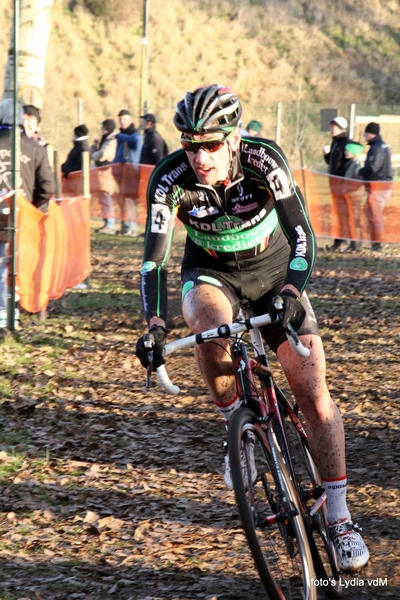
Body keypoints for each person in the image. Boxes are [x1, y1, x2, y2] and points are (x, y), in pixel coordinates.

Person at [135, 84, 369, 573]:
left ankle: (341, 518)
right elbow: (154, 261)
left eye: (210, 145)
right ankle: (237, 432)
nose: (199, 157)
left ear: (234, 138)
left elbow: (303, 232)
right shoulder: (170, 179)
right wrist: (154, 324)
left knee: (313, 393)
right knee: (207, 325)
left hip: (275, 270)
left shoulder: (264, 161)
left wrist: (289, 292)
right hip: (212, 271)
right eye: (190, 144)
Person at [0, 99, 55, 328]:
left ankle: (4, 318)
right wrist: (32, 208)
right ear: (21, 120)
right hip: (23, 219)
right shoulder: (35, 148)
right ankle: (9, 315)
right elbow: (48, 188)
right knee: (17, 265)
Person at [358, 122, 392, 252]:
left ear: (371, 133)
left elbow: (373, 168)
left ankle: (377, 244)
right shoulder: (383, 146)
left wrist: (360, 171)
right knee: (373, 214)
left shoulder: (376, 148)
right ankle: (375, 241)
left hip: (378, 186)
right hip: (383, 185)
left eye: (366, 132)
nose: (364, 135)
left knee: (375, 216)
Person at [111, 109, 142, 236]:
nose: (121, 121)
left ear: (130, 120)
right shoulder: (123, 136)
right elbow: (118, 154)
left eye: (124, 119)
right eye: (120, 119)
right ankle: (125, 226)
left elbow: (136, 141)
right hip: (120, 173)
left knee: (129, 199)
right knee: (122, 200)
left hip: (130, 173)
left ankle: (131, 227)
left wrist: (119, 136)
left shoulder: (133, 134)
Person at [323, 116, 350, 251]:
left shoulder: (346, 142)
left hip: (341, 185)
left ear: (341, 128)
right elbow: (332, 163)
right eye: (331, 126)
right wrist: (327, 155)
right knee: (337, 213)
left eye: (334, 127)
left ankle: (340, 241)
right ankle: (338, 241)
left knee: (342, 213)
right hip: (334, 184)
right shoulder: (334, 143)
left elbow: (347, 163)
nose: (331, 129)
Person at [90, 118, 117, 234]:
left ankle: (110, 224)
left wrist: (94, 154)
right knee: (103, 199)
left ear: (106, 128)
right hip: (102, 175)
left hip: (106, 174)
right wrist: (94, 146)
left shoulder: (111, 141)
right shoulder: (105, 140)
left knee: (107, 198)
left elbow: (102, 155)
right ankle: (107, 222)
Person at [342, 141, 365, 251]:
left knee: (354, 218)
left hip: (354, 195)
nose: (345, 152)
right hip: (350, 194)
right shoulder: (352, 163)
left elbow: (358, 180)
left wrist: (349, 189)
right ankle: (353, 242)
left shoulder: (357, 164)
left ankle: (356, 244)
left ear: (353, 152)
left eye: (348, 150)